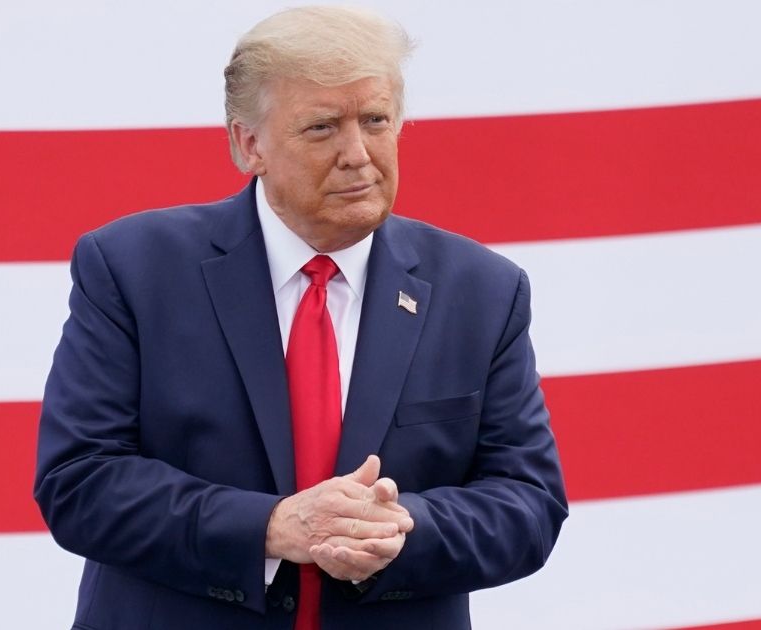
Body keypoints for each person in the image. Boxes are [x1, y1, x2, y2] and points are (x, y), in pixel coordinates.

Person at [33, 6, 567, 629]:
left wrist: (401, 530)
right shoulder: (132, 269)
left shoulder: (482, 290)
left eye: (375, 120)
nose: (357, 154)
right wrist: (270, 527)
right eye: (322, 127)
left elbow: (529, 503)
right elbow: (80, 481)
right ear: (249, 145)